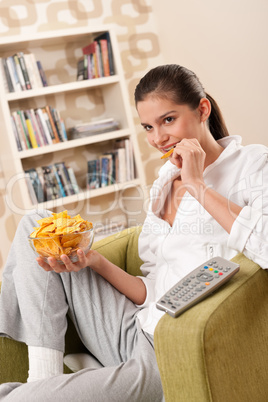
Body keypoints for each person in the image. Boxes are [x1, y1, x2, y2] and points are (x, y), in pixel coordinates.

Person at [0, 64, 268, 401]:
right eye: (148, 127)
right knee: (33, 225)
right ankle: (43, 376)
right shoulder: (165, 181)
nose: (158, 139)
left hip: (169, 350)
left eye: (168, 120)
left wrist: (198, 186)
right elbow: (151, 290)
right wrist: (94, 261)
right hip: (134, 326)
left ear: (202, 109)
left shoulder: (253, 165)